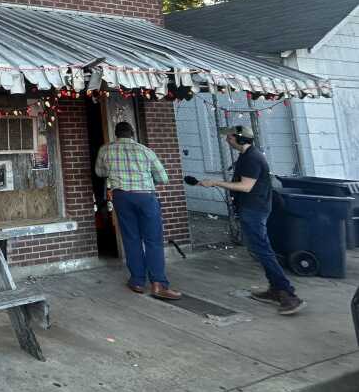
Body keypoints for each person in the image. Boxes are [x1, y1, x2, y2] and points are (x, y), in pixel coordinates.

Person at [200, 126, 303, 315]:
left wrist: (215, 182)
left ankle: (287, 294)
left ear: (239, 139)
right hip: (254, 208)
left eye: (230, 137)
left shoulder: (251, 158)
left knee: (263, 250)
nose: (227, 141)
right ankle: (275, 289)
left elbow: (246, 186)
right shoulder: (249, 156)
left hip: (254, 209)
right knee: (260, 249)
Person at [95, 121, 182, 300]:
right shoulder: (145, 150)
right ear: (132, 133)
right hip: (145, 197)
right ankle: (158, 284)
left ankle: (137, 281)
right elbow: (163, 178)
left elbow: (100, 172)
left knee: (131, 238)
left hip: (121, 197)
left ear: (116, 134)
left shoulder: (106, 150)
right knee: (153, 240)